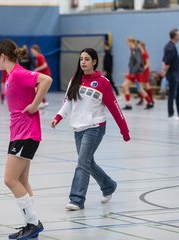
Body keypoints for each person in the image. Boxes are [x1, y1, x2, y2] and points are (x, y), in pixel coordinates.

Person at [51, 48, 130, 211]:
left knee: (82, 163)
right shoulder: (75, 80)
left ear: (94, 62)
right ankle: (108, 186)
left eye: (87, 59)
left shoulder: (103, 82)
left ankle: (77, 199)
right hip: (78, 128)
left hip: (95, 127)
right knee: (87, 162)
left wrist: (125, 131)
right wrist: (58, 117)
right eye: (81, 59)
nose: (83, 62)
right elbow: (68, 103)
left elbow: (115, 108)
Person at [0, 39, 52, 239]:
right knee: (21, 180)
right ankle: (30, 225)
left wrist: (36, 104)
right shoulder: (11, 76)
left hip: (26, 133)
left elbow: (46, 80)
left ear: (2, 56)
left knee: (10, 179)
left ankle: (33, 223)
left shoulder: (18, 73)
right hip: (19, 133)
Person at [161, 29, 179, 120]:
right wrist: (165, 71)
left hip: (175, 73)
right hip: (172, 74)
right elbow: (167, 62)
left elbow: (164, 60)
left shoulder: (171, 46)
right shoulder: (170, 47)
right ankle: (171, 114)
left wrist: (164, 68)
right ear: (175, 36)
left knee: (178, 94)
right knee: (172, 94)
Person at [122, 37, 153, 110]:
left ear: (130, 42)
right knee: (125, 85)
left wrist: (133, 72)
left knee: (139, 89)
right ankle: (128, 104)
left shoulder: (136, 50)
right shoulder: (132, 49)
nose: (127, 44)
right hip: (133, 72)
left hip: (136, 73)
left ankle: (150, 102)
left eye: (127, 42)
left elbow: (138, 62)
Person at [30, 44, 51, 109]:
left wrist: (36, 69)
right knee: (38, 88)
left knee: (38, 88)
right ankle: (43, 102)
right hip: (42, 75)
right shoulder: (37, 57)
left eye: (32, 51)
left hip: (45, 75)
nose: (32, 52)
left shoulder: (39, 56)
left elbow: (45, 65)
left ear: (36, 50)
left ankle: (43, 102)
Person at [137, 41, 154, 106]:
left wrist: (142, 68)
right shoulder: (141, 53)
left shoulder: (144, 53)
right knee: (145, 85)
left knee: (142, 86)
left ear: (141, 46)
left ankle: (149, 100)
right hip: (142, 71)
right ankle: (147, 99)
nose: (137, 46)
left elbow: (147, 63)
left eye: (138, 45)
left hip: (145, 71)